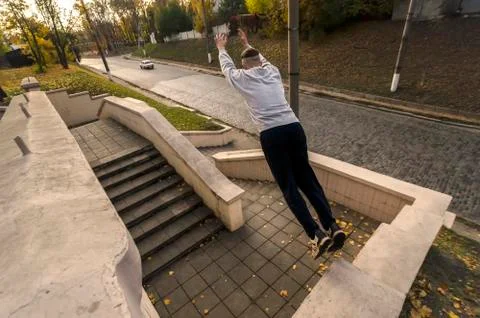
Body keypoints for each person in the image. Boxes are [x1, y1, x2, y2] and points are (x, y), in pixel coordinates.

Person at [215, 30, 346, 259]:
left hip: (272, 135)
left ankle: (316, 234)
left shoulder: (242, 77)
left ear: (245, 66)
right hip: (294, 127)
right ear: (260, 63)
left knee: (289, 186)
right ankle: (332, 226)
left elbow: (227, 69)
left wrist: (221, 48)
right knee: (307, 179)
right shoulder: (273, 72)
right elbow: (260, 59)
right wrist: (248, 43)